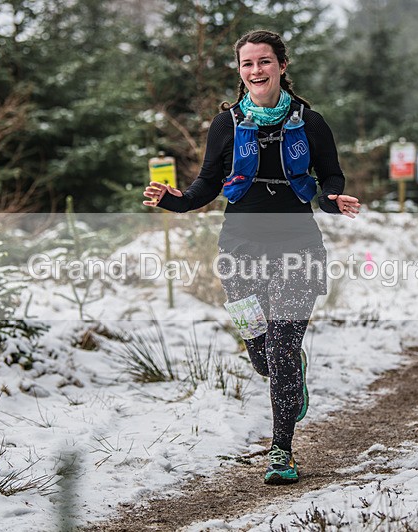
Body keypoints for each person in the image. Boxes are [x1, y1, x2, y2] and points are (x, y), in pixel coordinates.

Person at [143, 29, 360, 485]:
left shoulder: (311, 121)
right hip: (239, 248)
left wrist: (334, 198)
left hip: (298, 245)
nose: (256, 70)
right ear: (239, 72)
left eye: (264, 61)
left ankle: (281, 449)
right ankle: (290, 369)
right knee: (262, 355)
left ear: (282, 66)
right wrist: (173, 199)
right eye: (247, 64)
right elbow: (205, 185)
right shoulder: (227, 124)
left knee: (281, 346)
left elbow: (330, 177)